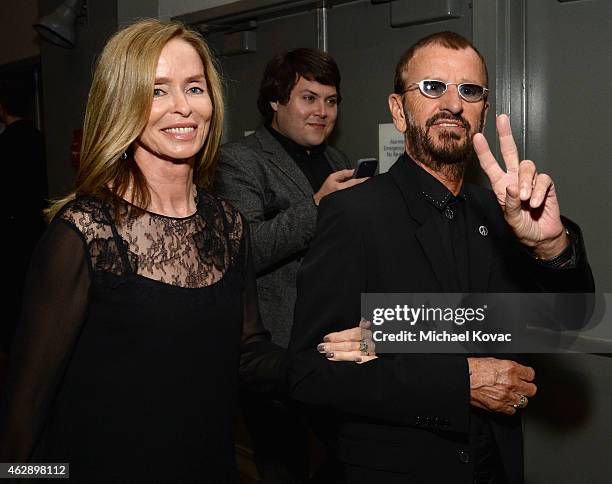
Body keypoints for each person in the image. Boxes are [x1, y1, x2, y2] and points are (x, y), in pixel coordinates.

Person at [0, 20, 367, 483]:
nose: (182, 108)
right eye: (157, 91)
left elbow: (248, 353)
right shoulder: (84, 235)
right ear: (122, 103)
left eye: (194, 88)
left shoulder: (227, 225)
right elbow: (23, 418)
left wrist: (333, 357)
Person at [289, 31, 594, 483]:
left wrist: (550, 246)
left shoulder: (508, 213)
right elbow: (309, 372)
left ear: (483, 113)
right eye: (432, 87)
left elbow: (573, 323)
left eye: (469, 91)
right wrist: (459, 382)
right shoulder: (354, 214)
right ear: (399, 110)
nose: (452, 103)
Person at [216, 48, 369, 482]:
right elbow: (244, 251)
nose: (322, 112)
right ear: (275, 102)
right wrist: (318, 205)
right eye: (309, 98)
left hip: (339, 343)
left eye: (331, 100)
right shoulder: (241, 160)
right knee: (285, 467)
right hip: (275, 351)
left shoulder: (339, 161)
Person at [0, 81, 47, 364]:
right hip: (35, 227)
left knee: (11, 292)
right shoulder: (38, 137)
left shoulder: (6, 144)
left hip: (10, 230)